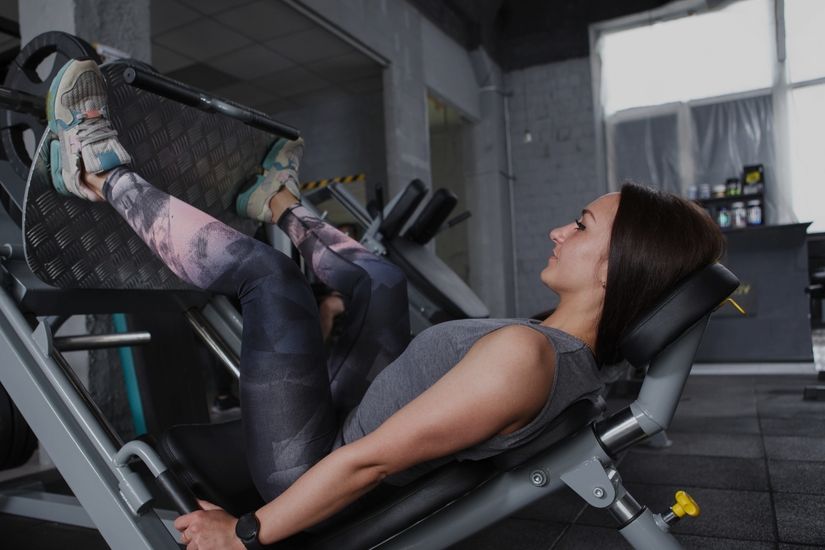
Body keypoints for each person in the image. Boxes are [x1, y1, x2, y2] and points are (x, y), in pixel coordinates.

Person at [46, 59, 725, 549]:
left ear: (616, 268)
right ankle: (274, 202)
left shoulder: (527, 358)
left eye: (580, 226)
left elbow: (367, 463)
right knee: (384, 281)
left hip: (304, 465)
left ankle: (97, 171)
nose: (558, 231)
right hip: (348, 418)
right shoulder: (555, 352)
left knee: (269, 279)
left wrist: (245, 533)